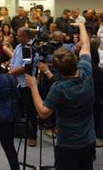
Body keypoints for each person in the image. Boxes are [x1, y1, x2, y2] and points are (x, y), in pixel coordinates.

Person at [26, 22, 95, 169]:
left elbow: (43, 113)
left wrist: (33, 86)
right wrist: (82, 25)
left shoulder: (59, 88)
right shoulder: (86, 72)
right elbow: (85, 44)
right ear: (75, 61)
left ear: (57, 69)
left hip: (68, 144)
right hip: (88, 140)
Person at [8, 27, 38, 147]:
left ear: (25, 37)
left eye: (19, 35)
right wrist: (10, 68)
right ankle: (19, 131)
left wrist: (10, 73)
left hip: (26, 84)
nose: (16, 36)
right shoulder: (18, 47)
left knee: (29, 111)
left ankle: (32, 136)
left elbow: (25, 68)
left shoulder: (28, 48)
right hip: (16, 83)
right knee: (18, 108)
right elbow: (13, 62)